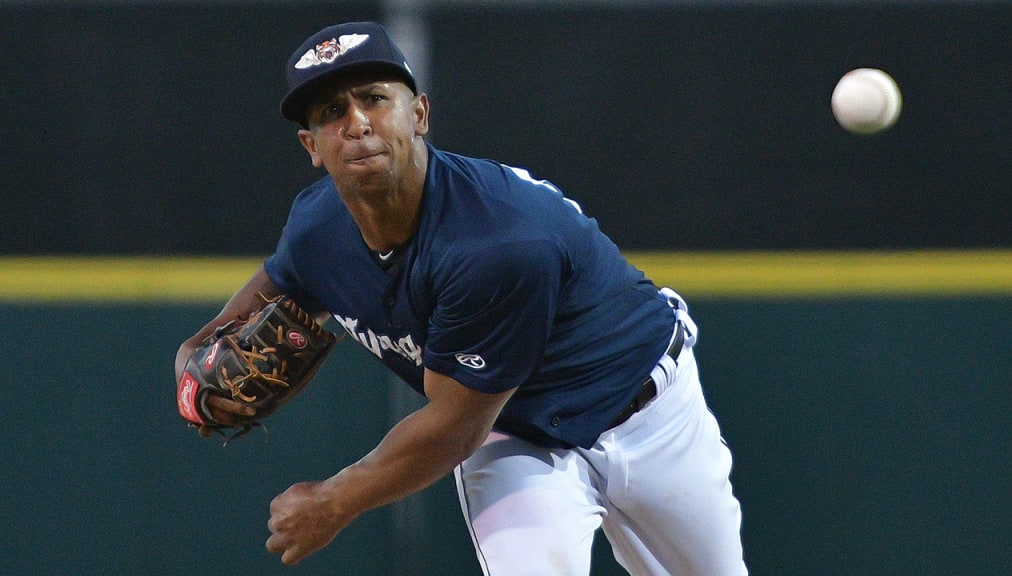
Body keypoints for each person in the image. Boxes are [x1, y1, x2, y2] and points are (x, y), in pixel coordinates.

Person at [175, 21, 747, 575]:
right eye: (331, 112)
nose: (357, 123)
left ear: (419, 113)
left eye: (374, 98)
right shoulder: (318, 227)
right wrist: (189, 376)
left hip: (649, 416)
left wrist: (334, 499)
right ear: (312, 146)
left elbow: (454, 427)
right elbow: (230, 326)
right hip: (518, 437)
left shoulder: (498, 242)